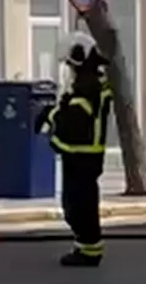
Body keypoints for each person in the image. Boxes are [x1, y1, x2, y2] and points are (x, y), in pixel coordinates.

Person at [42, 30, 114, 268]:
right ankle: (85, 246)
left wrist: (51, 116)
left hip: (83, 155)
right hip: (82, 155)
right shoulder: (90, 83)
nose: (69, 69)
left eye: (70, 64)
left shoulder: (89, 86)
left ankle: (89, 251)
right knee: (76, 204)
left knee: (79, 205)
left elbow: (74, 119)